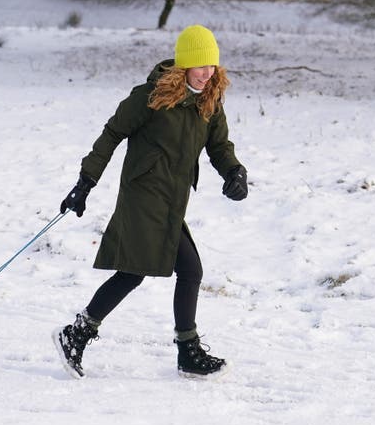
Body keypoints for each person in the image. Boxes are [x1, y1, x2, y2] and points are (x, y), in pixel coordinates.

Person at [54, 24, 248, 379]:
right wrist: (86, 181)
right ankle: (184, 351)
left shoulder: (209, 101)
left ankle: (77, 332)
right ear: (185, 65)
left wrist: (234, 172)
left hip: (172, 199)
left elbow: (219, 146)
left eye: (213, 66)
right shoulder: (151, 96)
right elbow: (112, 133)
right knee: (180, 270)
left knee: (135, 273)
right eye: (201, 66)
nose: (208, 73)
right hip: (143, 197)